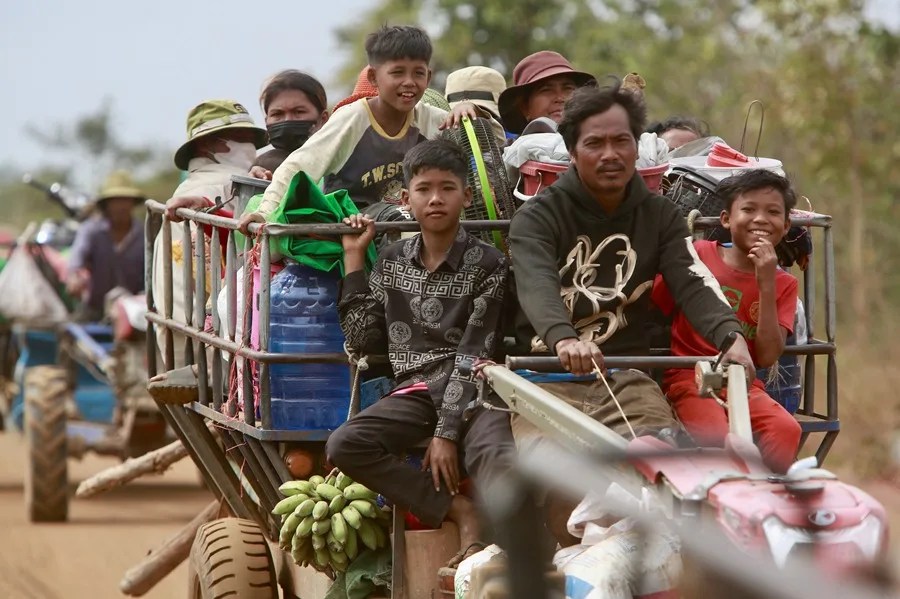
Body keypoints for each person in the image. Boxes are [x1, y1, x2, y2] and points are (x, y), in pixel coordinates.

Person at [507, 81, 755, 545]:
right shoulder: (538, 217)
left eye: (621, 141)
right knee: (563, 481)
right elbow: (536, 284)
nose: (610, 154)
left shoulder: (659, 215)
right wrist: (563, 339)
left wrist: (730, 336)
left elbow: (692, 279)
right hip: (545, 383)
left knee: (666, 469)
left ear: (637, 146)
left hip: (627, 378)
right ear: (573, 150)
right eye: (594, 143)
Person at [326, 139, 514, 567]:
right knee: (345, 444)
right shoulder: (390, 261)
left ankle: (508, 550)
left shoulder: (488, 263)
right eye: (424, 188)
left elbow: (474, 350)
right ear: (405, 198)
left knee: (498, 453)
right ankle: (457, 511)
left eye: (447, 188)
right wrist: (354, 259)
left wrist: (447, 433)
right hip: (414, 391)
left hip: (476, 391)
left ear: (466, 196)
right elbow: (364, 341)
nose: (435, 199)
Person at [238, 25, 489, 233]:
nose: (409, 82)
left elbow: (492, 147)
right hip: (353, 227)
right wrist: (264, 213)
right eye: (397, 73)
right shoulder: (351, 119)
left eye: (418, 73)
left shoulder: (433, 119)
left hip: (412, 228)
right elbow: (298, 166)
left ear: (429, 77)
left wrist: (470, 113)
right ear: (373, 78)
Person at [652, 169, 802, 473]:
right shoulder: (699, 255)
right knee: (718, 437)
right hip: (689, 377)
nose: (760, 219)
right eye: (748, 209)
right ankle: (730, 501)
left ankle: (764, 498)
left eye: (772, 212)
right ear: (725, 219)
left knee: (787, 430)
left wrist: (767, 283)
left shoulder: (784, 283)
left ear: (786, 226)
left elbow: (767, 355)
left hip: (745, 382)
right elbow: (657, 305)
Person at [152, 99, 267, 370]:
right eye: (239, 137)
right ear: (207, 145)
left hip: (183, 336)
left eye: (251, 137)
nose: (248, 145)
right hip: (214, 341)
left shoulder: (193, 188)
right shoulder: (224, 188)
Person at [67, 170, 145, 322]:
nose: (121, 206)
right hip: (95, 309)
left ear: (132, 203)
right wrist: (74, 277)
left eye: (125, 200)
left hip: (133, 312)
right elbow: (76, 260)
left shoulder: (144, 234)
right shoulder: (91, 230)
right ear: (107, 204)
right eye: (116, 200)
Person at [497, 50, 596, 136]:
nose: (560, 98)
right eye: (547, 90)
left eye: (568, 88)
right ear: (525, 108)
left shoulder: (602, 146)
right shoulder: (512, 155)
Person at [253, 70, 330, 175]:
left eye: (299, 112)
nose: (288, 120)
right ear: (267, 121)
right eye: (277, 114)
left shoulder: (339, 164)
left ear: (323, 119)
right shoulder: (261, 168)